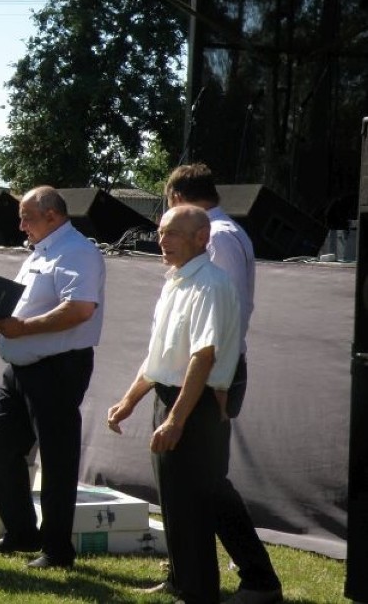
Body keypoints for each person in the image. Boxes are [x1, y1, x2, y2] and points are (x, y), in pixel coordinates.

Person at [108, 205, 241, 604]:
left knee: (194, 503)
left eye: (174, 233)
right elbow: (160, 357)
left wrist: (178, 420)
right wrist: (130, 400)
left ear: (202, 238)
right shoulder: (175, 283)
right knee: (173, 500)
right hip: (170, 401)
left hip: (193, 406)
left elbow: (204, 357)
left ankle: (199, 591)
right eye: (162, 232)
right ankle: (182, 582)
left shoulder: (212, 285)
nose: (163, 241)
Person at [163, 164, 282, 603]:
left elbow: (220, 323)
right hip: (191, 373)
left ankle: (259, 578)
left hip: (213, 373)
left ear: (177, 197)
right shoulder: (214, 232)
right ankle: (184, 574)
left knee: (208, 482)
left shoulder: (220, 237)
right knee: (182, 481)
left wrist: (215, 384)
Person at [0, 185, 105, 569]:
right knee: (0, 444)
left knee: (57, 458)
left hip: (57, 367)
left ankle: (56, 550)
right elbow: (28, 306)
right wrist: (0, 327)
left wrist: (23, 328)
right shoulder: (43, 250)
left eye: (26, 217)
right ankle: (21, 532)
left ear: (52, 215)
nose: (20, 226)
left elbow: (81, 308)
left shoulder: (78, 251)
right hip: (21, 367)